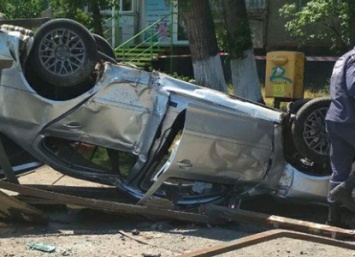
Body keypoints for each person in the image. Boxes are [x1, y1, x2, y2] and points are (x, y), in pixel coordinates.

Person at [325, 47, 355, 227]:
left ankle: (333, 220)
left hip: (335, 118)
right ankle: (346, 188)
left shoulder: (343, 58)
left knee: (339, 170)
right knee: (341, 174)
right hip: (350, 120)